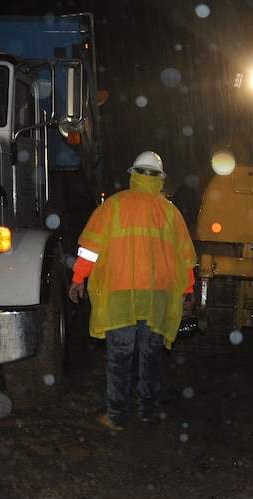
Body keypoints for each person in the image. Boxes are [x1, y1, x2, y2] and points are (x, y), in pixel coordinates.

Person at [68, 151, 197, 431]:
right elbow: (185, 259)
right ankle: (148, 411)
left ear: (133, 175)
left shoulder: (113, 206)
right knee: (150, 355)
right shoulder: (171, 213)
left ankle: (116, 415)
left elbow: (90, 249)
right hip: (157, 297)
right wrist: (188, 291)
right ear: (160, 179)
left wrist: (78, 279)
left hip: (120, 294)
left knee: (120, 356)